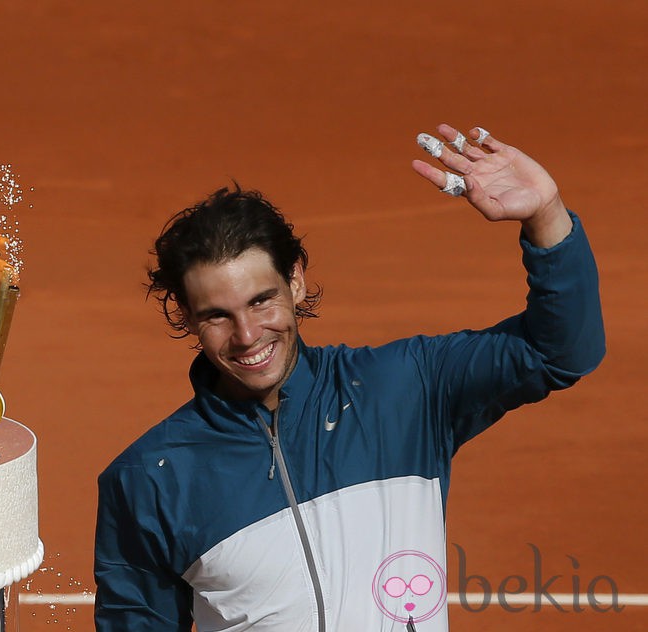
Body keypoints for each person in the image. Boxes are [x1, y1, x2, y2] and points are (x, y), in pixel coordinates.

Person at [93, 124, 605, 631]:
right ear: (186, 315)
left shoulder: (403, 389)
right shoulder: (150, 478)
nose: (247, 335)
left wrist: (546, 216)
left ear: (294, 281)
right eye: (217, 315)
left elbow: (557, 351)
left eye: (260, 300)